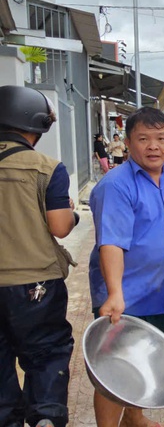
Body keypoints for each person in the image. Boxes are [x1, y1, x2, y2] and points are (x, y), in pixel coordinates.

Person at [88, 107, 164, 427]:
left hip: (162, 288)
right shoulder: (116, 185)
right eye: (143, 139)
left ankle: (135, 417)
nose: (153, 146)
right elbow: (111, 242)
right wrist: (115, 292)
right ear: (127, 143)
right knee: (114, 368)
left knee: (143, 359)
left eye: (160, 138)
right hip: (127, 293)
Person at [0, 85, 77, 427]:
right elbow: (60, 227)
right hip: (35, 284)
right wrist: (72, 214)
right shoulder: (47, 167)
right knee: (46, 354)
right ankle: (46, 418)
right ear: (35, 124)